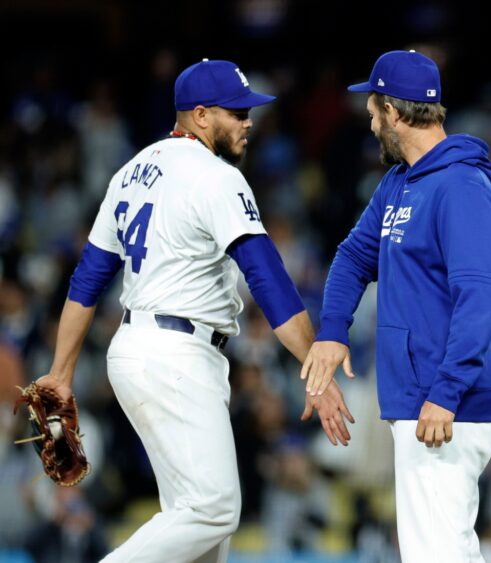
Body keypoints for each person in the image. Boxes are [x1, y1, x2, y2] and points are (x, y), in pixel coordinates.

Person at [32, 58, 353, 562]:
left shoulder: (131, 172)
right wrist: (317, 372)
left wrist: (61, 371)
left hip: (140, 351)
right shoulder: (216, 177)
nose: (249, 122)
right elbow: (268, 281)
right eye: (237, 112)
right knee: (215, 509)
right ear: (200, 115)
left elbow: (88, 280)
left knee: (203, 538)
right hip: (175, 355)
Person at [302, 50, 491, 563]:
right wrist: (331, 332)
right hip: (419, 398)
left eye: (373, 110)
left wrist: (447, 391)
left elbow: (478, 299)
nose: (370, 122)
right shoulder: (400, 182)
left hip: (445, 403)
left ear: (393, 112)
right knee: (438, 552)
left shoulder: (460, 186)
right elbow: (351, 257)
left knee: (439, 554)